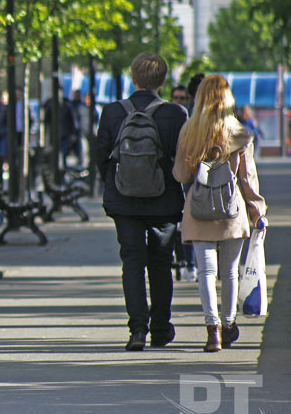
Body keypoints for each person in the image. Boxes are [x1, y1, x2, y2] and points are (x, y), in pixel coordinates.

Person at [96, 53, 188, 351]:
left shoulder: (111, 112)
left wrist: (115, 183)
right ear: (162, 81)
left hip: (124, 201)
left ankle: (137, 330)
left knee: (132, 262)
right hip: (163, 201)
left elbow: (101, 157)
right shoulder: (175, 114)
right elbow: (182, 160)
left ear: (133, 78)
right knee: (161, 264)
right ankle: (161, 328)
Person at [172, 75, 267, 352]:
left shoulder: (189, 130)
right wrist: (257, 211)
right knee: (229, 272)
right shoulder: (239, 132)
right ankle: (228, 324)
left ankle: (212, 329)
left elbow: (180, 174)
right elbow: (248, 180)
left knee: (205, 271)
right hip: (231, 210)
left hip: (198, 209)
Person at [171, 84, 197, 283]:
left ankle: (191, 263)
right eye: (176, 98)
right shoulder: (169, 119)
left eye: (182, 98)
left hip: (190, 178)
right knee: (182, 224)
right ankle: (187, 263)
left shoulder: (191, 121)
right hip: (177, 178)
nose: (179, 101)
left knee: (191, 221)